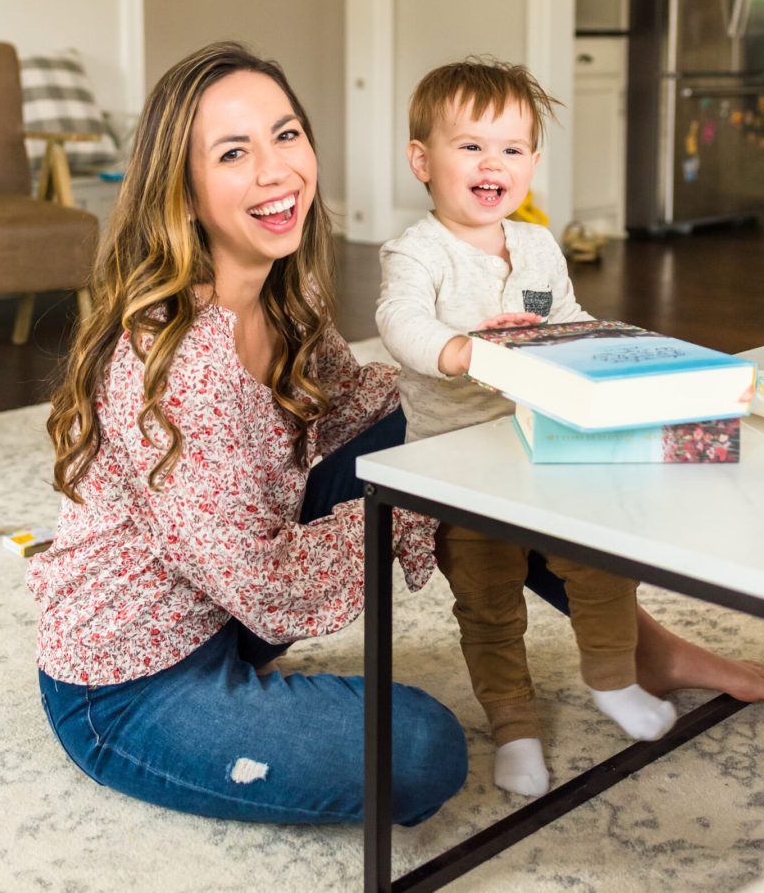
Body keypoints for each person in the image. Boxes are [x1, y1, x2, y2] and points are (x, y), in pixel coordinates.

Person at [27, 41, 468, 825]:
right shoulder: (176, 365)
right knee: (425, 749)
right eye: (235, 153)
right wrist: (416, 507)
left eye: (286, 135)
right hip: (129, 683)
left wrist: (481, 376)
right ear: (185, 192)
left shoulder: (282, 301)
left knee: (450, 422)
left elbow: (365, 407)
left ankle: (627, 647)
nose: (276, 171)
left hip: (223, 613)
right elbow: (272, 590)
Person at [377, 57, 764, 800]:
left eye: (511, 149)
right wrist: (466, 349)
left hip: (548, 441)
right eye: (470, 146)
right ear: (422, 161)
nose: (492, 164)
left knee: (603, 564)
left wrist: (611, 350)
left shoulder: (535, 245)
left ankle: (611, 676)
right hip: (459, 462)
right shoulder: (418, 252)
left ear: (534, 162)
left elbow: (567, 320)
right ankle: (514, 724)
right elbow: (399, 323)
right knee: (488, 602)